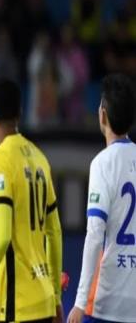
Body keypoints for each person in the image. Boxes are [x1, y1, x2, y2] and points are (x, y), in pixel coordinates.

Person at [0, 77, 64, 323]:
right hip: (45, 301)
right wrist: (56, 297)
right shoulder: (40, 159)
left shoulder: (0, 160)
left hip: (18, 304)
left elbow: (2, 235)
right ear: (20, 112)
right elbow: (55, 233)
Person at [67, 73, 136, 323]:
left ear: (103, 115)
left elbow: (95, 234)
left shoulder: (102, 164)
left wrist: (79, 302)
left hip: (108, 301)